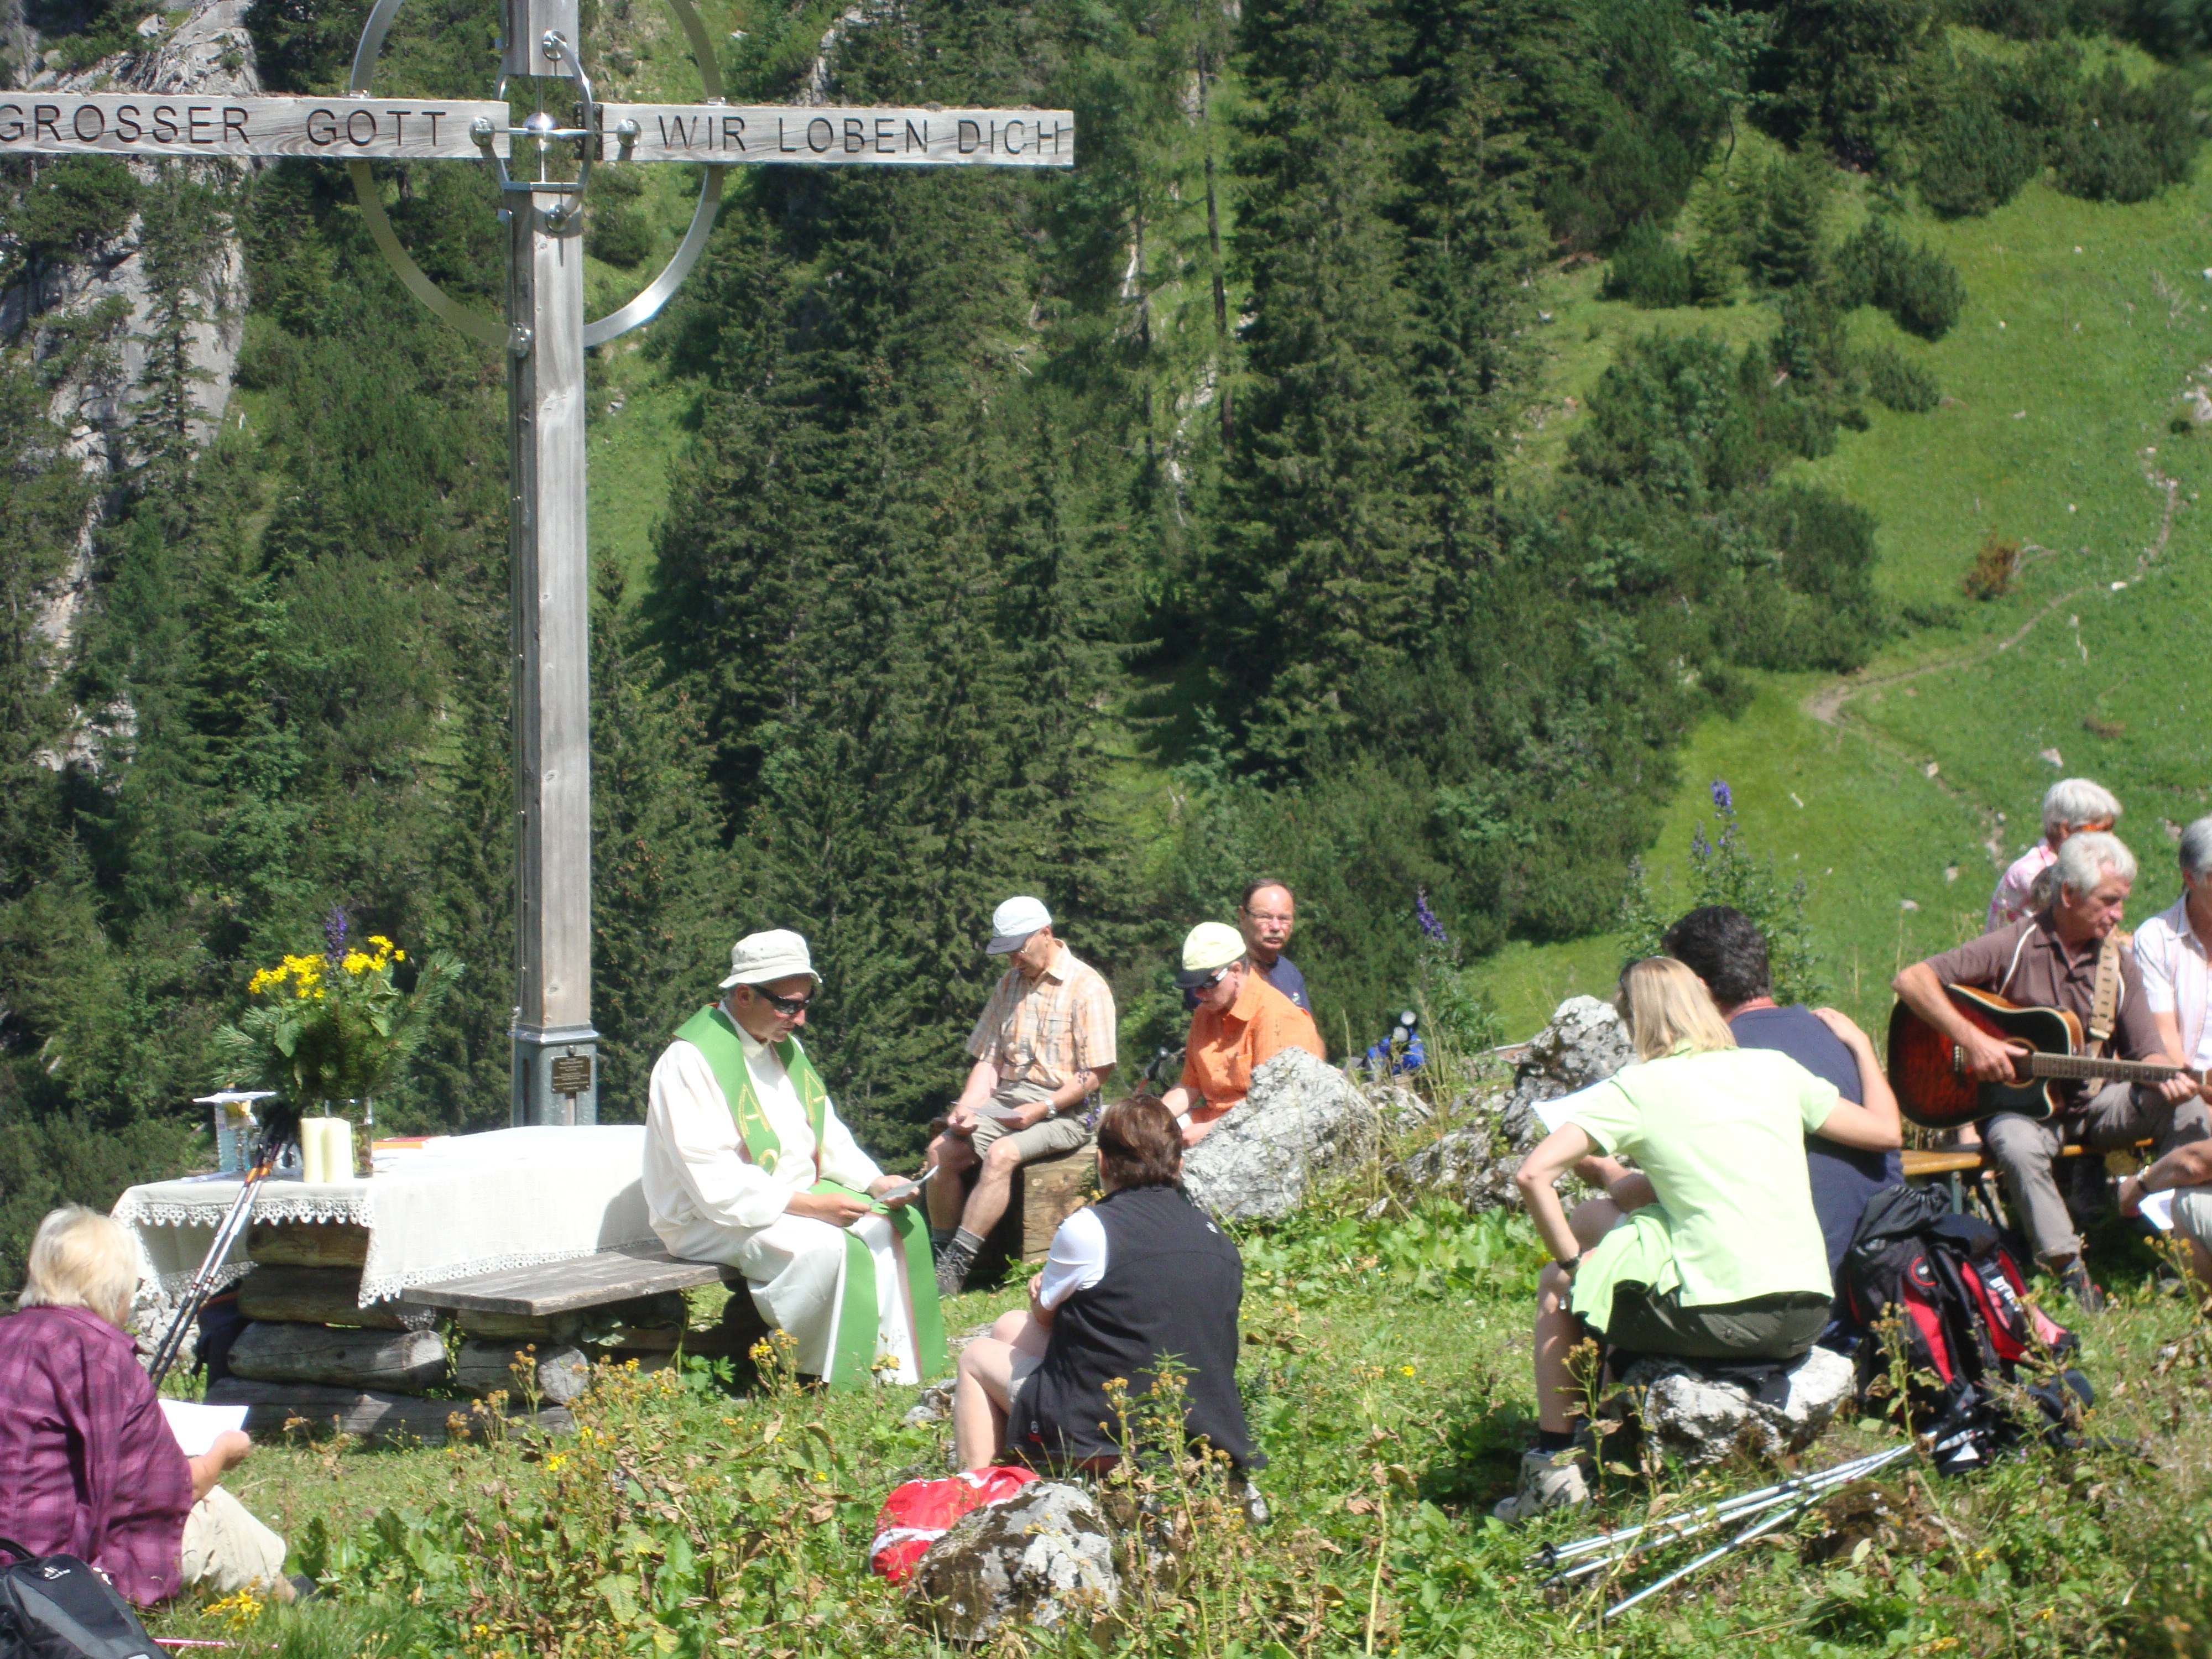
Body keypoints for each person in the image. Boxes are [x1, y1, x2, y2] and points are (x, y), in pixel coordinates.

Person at [1495, 958, 1901, 1522]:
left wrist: (1573, 1265)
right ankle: (1606, 1427)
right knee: (1614, 1240)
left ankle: (1552, 1470)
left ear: (1634, 1019)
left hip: (1727, 1319)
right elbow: (1886, 1131)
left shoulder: (1639, 1087)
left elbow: (1532, 1174)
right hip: (1807, 1313)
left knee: (1559, 1284)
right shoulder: (1775, 1068)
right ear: (1705, 1002)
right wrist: (1861, 1046)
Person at [1894, 830, 2203, 1308]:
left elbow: (2149, 1054)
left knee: (2189, 1109)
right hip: (2023, 1112)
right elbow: (1911, 980)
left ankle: (2184, 1253)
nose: (2119, 914)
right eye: (2109, 901)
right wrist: (1974, 1041)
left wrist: (2174, 1075)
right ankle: (2070, 1272)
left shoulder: (2118, 964)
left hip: (2097, 1105)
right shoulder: (2013, 945)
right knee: (2015, 1144)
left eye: (2122, 901)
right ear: (2069, 894)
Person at [644, 929, 946, 1387]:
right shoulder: (688, 1062)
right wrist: (812, 1207)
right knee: (825, 1248)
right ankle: (814, 1374)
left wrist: (875, 1181)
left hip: (792, 1197)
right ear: (744, 995)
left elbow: (824, 1134)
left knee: (891, 1227)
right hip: (708, 1218)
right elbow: (712, 1178)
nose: (800, 1019)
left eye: (806, 1003)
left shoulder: (784, 1047)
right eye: (788, 1005)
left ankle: (892, 1367)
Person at [0, 1207, 294, 1604]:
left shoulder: (8, 1334)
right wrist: (223, 1452)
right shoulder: (101, 1357)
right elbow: (168, 1492)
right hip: (47, 1575)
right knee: (213, 1509)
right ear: (112, 1288)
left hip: (15, 1554)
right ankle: (288, 1598)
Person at [951, 1094, 1258, 1473]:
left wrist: (1043, 1292)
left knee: (976, 1356)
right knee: (1008, 1327)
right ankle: (1021, 1464)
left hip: (1108, 1430)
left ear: (1101, 1161)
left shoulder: (1090, 1227)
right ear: (1179, 1163)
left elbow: (1044, 1319)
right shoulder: (1217, 1237)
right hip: (1202, 1429)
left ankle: (977, 1489)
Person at [1661, 905, 1903, 1321]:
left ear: (1698, 988)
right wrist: (1863, 1046)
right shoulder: (1832, 1029)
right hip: (1893, 1267)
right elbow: (1889, 1133)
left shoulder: (1717, 1060)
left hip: (1810, 1294)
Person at [924, 896, 1118, 1297]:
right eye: (1007, 953)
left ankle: (958, 1265)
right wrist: (967, 1106)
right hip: (1011, 1098)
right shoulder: (1009, 984)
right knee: (940, 1152)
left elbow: (1096, 1073)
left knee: (1001, 1154)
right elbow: (990, 1060)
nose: (1014, 961)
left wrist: (1043, 1107)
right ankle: (938, 1252)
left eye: (1020, 950)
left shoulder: (1087, 986)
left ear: (1046, 934)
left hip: (1068, 1110)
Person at [1160, 922, 1326, 1146]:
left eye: (1206, 984)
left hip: (1260, 1136)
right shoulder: (1205, 1013)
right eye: (1193, 986)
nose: (1198, 994)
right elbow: (1190, 1085)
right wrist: (1151, 1119)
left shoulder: (1278, 1018)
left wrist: (1210, 1131)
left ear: (1236, 971)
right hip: (1212, 1120)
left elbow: (1277, 1107)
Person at [1987, 778, 2121, 933]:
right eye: (2101, 830)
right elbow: (2079, 931)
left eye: (2111, 827)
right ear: (2066, 830)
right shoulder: (2032, 872)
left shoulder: (2075, 866)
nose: (2111, 837)